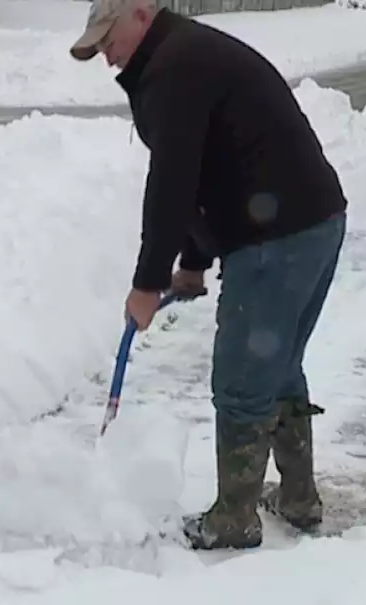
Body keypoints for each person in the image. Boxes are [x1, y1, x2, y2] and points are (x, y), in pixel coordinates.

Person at [69, 0, 348, 550]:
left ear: (142, 13)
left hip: (279, 237)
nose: (107, 57)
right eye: (99, 47)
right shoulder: (182, 56)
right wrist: (193, 264)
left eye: (109, 40)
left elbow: (172, 184)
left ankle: (234, 520)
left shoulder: (176, 68)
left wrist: (147, 283)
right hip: (313, 222)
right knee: (279, 363)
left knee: (243, 381)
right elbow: (206, 172)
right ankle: (296, 498)